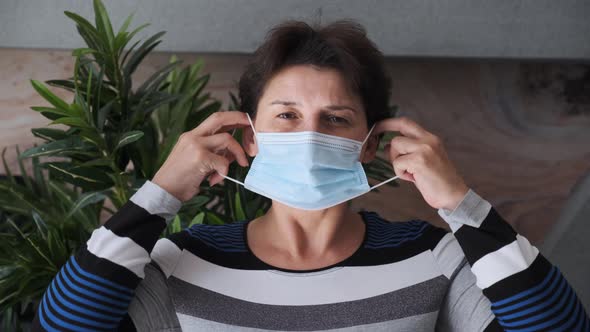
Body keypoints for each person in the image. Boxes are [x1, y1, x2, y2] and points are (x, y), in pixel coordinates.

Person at [32, 19, 589, 332]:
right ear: (250, 137)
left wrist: (460, 203)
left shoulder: (434, 258)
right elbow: (63, 328)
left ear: (371, 143)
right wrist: (160, 192)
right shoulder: (181, 261)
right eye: (287, 116)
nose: (308, 133)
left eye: (336, 119)